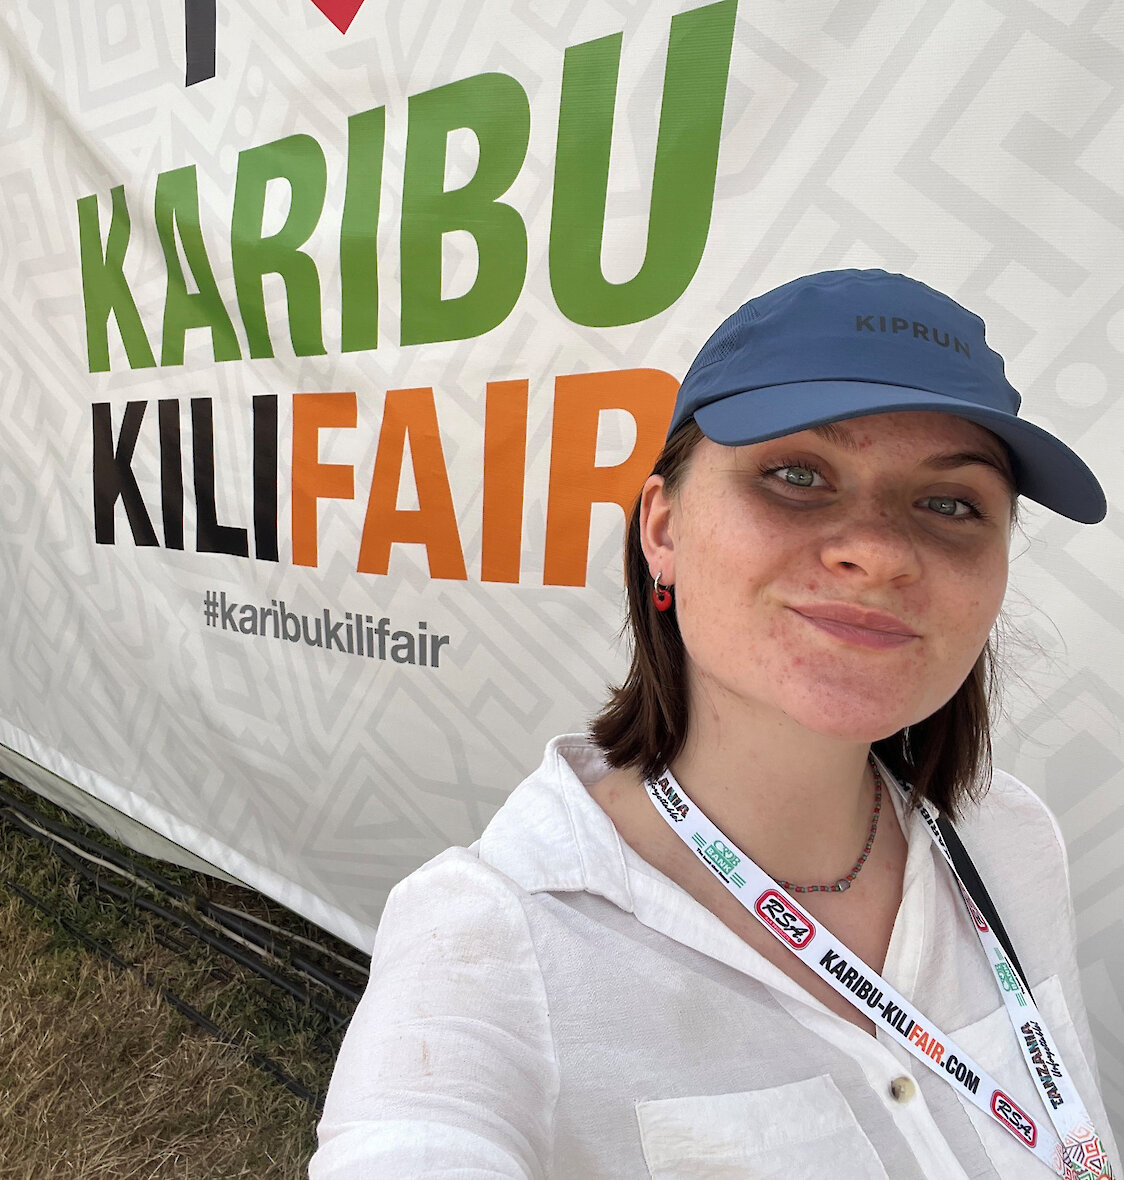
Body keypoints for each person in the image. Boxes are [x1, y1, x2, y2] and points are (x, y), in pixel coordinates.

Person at [310, 269, 1118, 1179]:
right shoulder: (493, 939)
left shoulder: (1012, 839)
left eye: (951, 504)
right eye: (797, 476)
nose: (880, 551)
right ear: (662, 529)